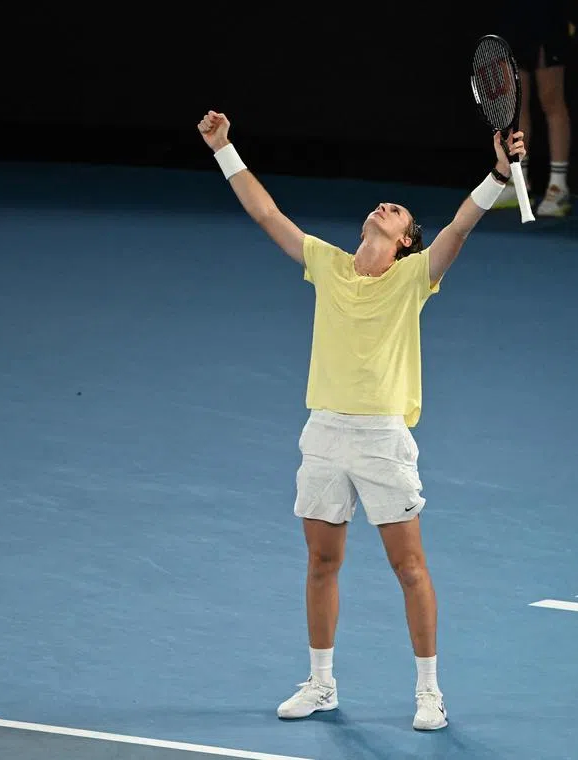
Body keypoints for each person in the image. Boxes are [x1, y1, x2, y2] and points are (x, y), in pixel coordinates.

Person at [197, 110, 526, 732]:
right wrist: (224, 149)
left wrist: (496, 176)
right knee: (322, 563)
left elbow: (458, 228)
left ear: (406, 241)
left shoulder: (413, 278)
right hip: (323, 433)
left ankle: (429, 691)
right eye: (384, 206)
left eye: (398, 212)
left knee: (409, 567)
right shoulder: (324, 263)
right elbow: (267, 214)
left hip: (381, 439)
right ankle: (321, 683)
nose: (385, 208)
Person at [493, 0, 574, 217]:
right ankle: (517, 184)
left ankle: (558, 188)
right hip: (512, 15)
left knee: (551, 99)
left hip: (546, 15)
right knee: (515, 103)